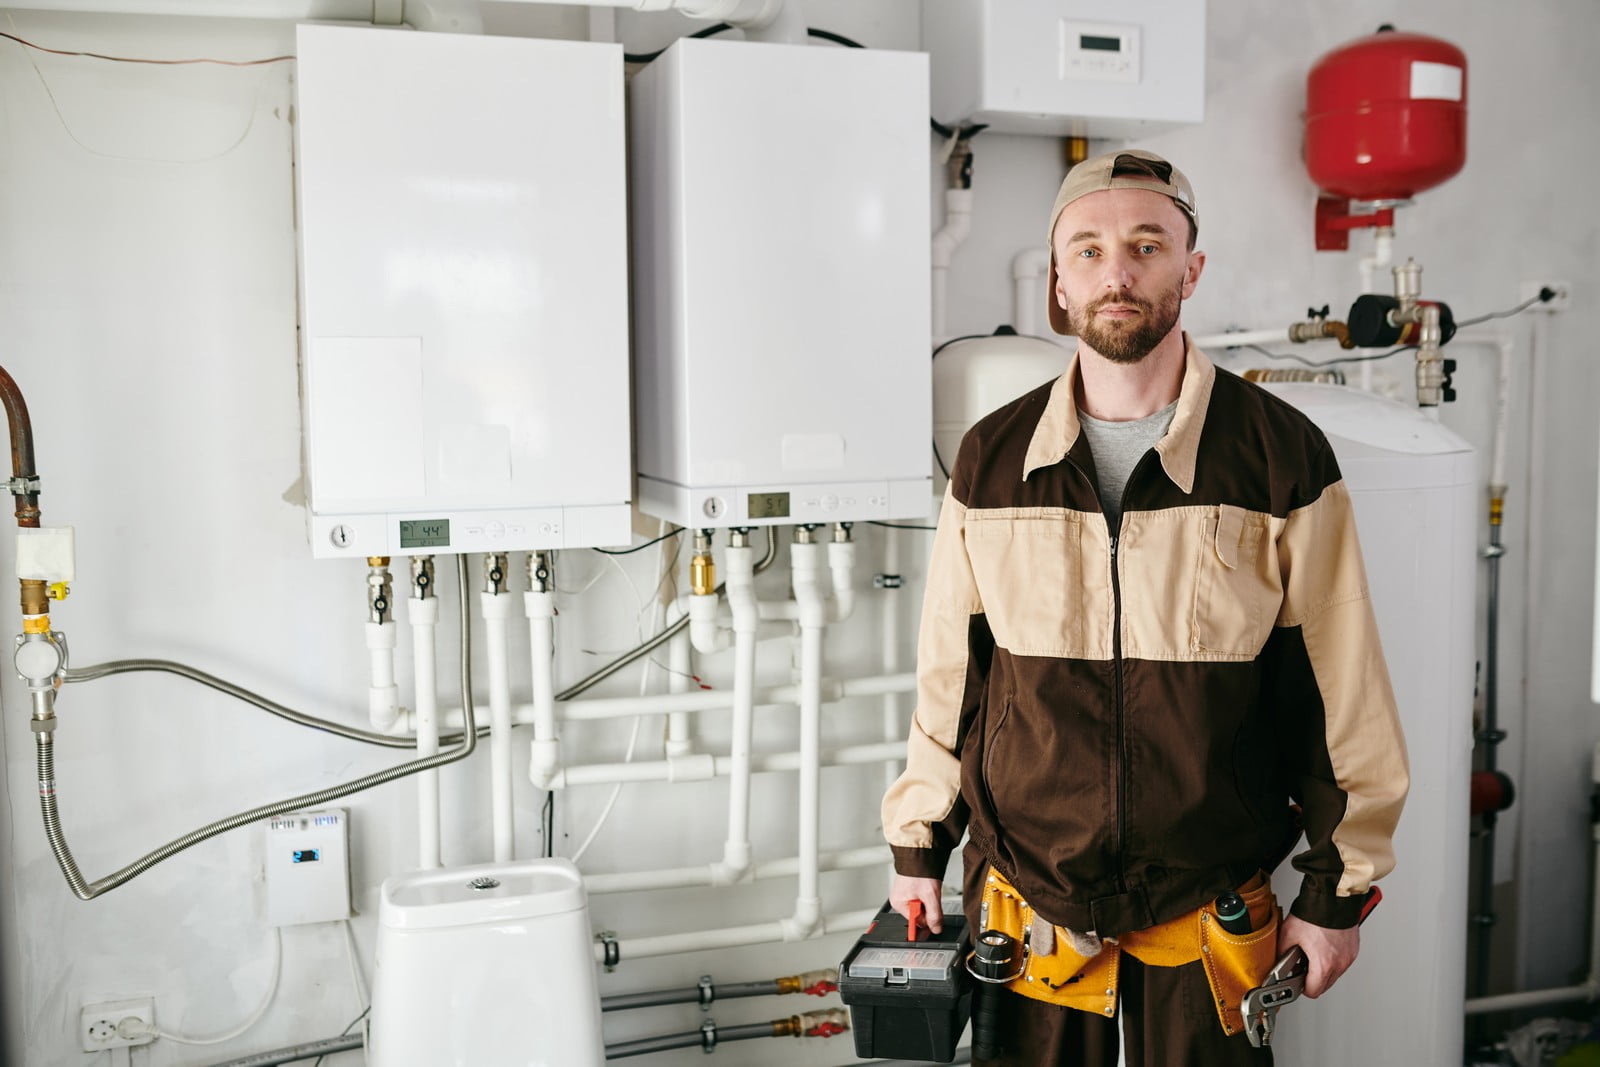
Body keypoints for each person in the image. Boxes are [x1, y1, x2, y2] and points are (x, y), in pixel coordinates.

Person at [880, 149, 1409, 1065]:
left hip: (1208, 905)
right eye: (1085, 249)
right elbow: (952, 675)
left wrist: (1337, 893)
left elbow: (1340, 690)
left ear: (1190, 269)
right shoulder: (992, 460)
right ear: (1057, 276)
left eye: (1145, 244)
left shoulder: (1280, 456)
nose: (1114, 271)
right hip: (1027, 905)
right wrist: (918, 842)